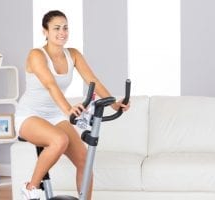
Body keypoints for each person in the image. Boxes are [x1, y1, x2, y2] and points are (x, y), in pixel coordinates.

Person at [15, 10, 130, 200]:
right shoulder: (36, 55)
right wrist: (68, 109)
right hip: (29, 115)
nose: (62, 32)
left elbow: (93, 80)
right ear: (45, 31)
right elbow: (51, 85)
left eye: (65, 28)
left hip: (55, 116)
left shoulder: (73, 54)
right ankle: (30, 187)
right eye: (56, 28)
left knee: (85, 162)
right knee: (59, 140)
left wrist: (114, 104)